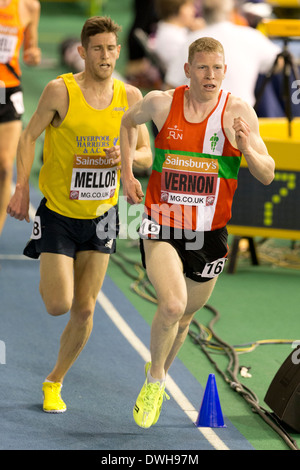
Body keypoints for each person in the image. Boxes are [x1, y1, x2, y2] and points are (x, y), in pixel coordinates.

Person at [120, 36, 275, 429]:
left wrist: (246, 148)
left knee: (186, 316)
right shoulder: (161, 103)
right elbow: (126, 122)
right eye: (203, 68)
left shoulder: (237, 112)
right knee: (171, 305)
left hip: (211, 234)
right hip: (162, 223)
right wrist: (126, 175)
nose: (211, 76)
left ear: (226, 71)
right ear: (188, 70)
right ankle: (155, 381)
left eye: (218, 68)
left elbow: (267, 172)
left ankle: (158, 368)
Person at [7, 16, 152, 413]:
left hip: (103, 216)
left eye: (111, 49)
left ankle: (54, 381)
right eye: (98, 49)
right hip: (59, 213)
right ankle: (52, 268)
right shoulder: (60, 91)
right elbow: (28, 134)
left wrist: (124, 158)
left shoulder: (131, 96)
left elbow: (146, 154)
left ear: (118, 52)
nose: (105, 56)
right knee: (58, 305)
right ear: (82, 52)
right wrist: (21, 187)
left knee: (85, 308)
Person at [164, 0, 282, 107]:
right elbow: (280, 62)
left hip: (199, 120)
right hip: (241, 119)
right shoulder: (252, 36)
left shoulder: (191, 41)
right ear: (232, 11)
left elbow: (169, 88)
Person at [0, 0, 41, 237]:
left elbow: (30, 51)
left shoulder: (29, 7)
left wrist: (33, 55)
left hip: (9, 91)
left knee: (5, 168)